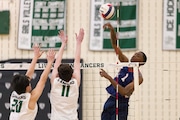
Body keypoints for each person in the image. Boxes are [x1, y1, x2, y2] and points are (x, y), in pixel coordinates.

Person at [99, 23, 147, 120]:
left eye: (138, 55)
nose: (134, 55)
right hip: (111, 99)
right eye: (135, 53)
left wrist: (108, 77)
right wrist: (112, 30)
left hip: (122, 104)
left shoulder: (139, 78)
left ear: (141, 62)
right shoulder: (125, 62)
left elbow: (123, 91)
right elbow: (115, 45)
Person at [9, 44, 55, 120]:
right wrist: (50, 62)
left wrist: (36, 57)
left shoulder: (14, 93)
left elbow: (28, 76)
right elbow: (42, 80)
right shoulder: (30, 99)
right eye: (29, 84)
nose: (30, 83)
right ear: (27, 88)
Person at [50, 28, 84, 120]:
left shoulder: (55, 82)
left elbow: (57, 62)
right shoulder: (75, 83)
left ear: (58, 74)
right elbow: (77, 62)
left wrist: (63, 44)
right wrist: (78, 43)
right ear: (72, 74)